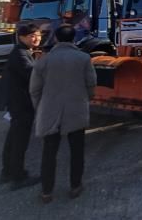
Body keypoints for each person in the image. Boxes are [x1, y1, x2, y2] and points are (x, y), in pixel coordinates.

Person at [30, 24, 97, 203]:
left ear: (56, 38)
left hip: (50, 111)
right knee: (77, 151)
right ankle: (75, 186)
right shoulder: (84, 58)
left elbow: (34, 89)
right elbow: (91, 84)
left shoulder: (43, 60)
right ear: (74, 38)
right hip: (76, 110)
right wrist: (86, 99)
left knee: (49, 152)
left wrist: (40, 107)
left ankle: (46, 191)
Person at [0, 24, 42, 190]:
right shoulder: (20, 54)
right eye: (32, 36)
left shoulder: (24, 51)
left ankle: (7, 172)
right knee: (19, 140)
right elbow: (33, 74)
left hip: (18, 102)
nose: (36, 38)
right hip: (21, 103)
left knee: (13, 137)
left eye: (38, 35)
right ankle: (18, 176)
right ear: (21, 37)